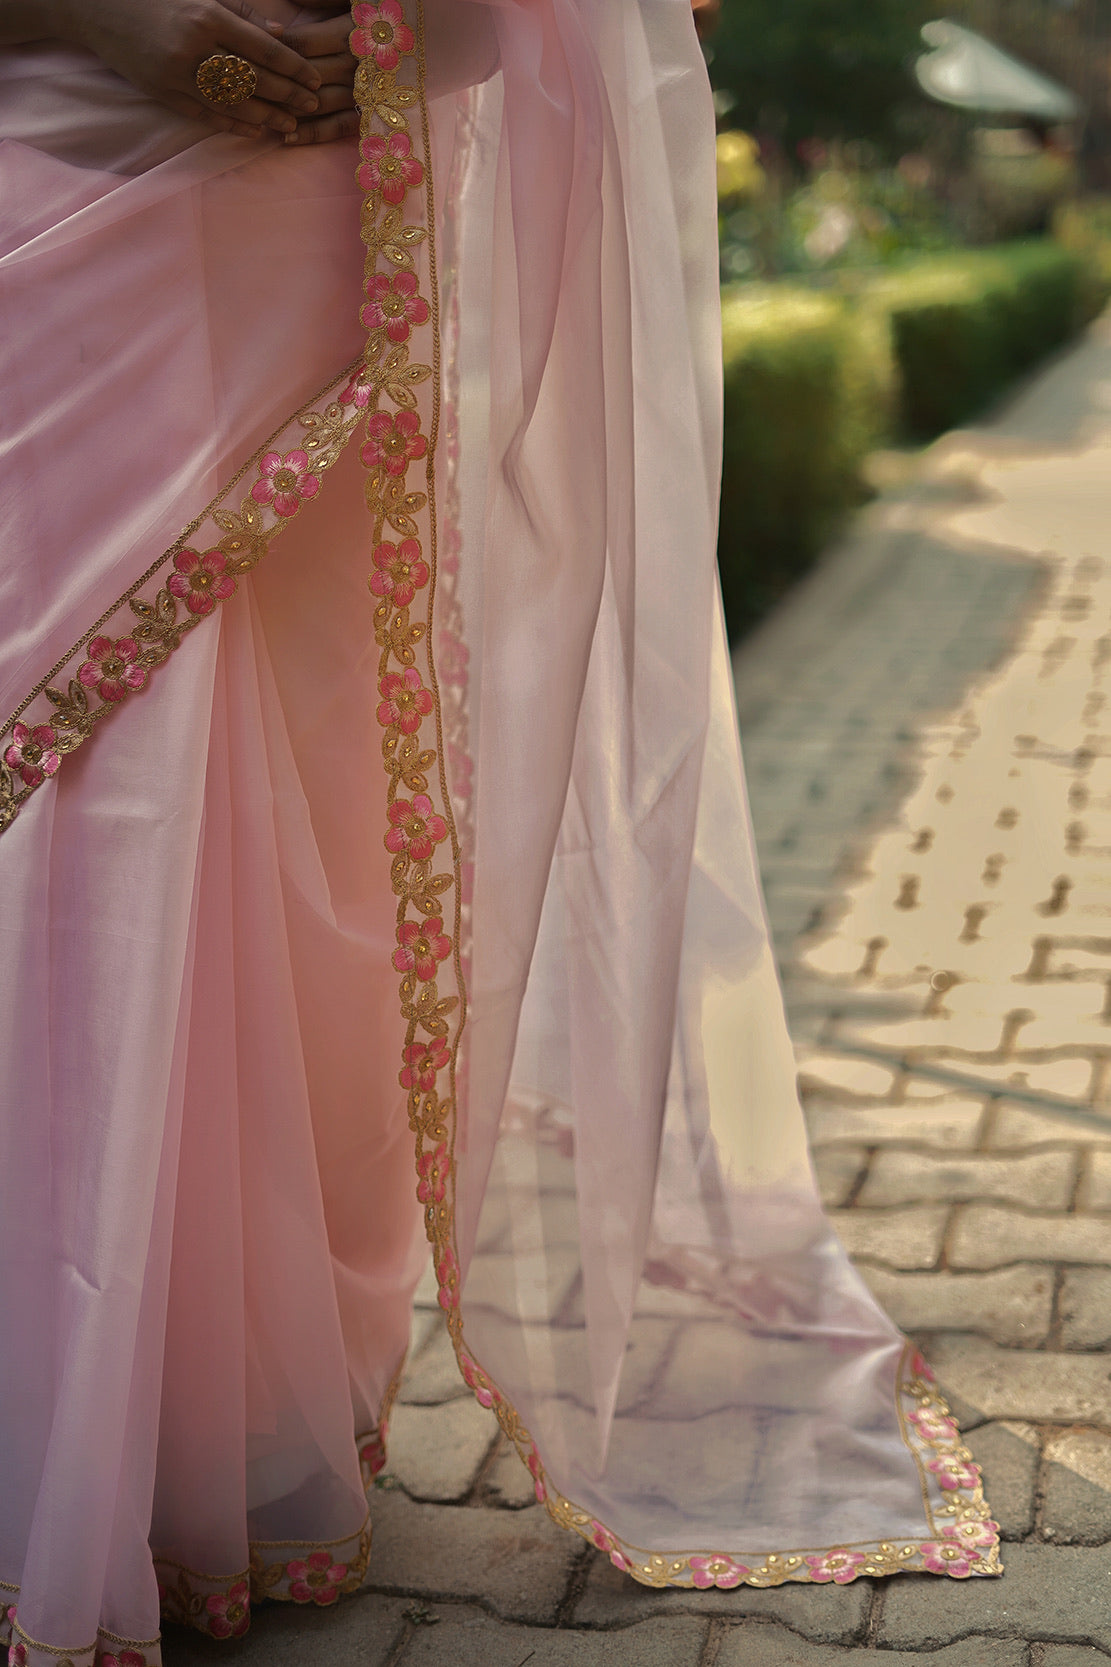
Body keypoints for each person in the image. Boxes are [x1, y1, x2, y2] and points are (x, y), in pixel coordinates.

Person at [0, 3, 999, 1662]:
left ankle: (180, 1449)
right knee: (105, 782)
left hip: (307, 209)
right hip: (61, 166)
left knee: (255, 810)